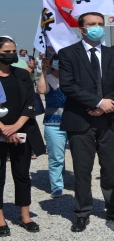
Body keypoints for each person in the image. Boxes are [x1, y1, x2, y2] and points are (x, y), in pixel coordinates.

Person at [58, 12, 114, 232]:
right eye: (92, 24)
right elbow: (68, 85)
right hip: (80, 119)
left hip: (108, 119)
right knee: (82, 170)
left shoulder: (112, 54)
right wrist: (98, 102)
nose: (97, 28)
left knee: (110, 168)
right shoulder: (68, 54)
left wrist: (107, 103)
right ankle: (82, 212)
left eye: (100, 24)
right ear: (81, 29)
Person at [0, 36, 46, 234]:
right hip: (1, 131)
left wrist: (16, 126)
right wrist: (3, 128)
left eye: (13, 51)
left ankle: (25, 216)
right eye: (6, 52)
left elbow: (30, 102)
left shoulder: (22, 75)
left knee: (22, 174)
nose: (11, 55)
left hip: (21, 132)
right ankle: (1, 219)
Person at [36, 49, 68, 198]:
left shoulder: (72, 80)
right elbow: (41, 90)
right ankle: (56, 185)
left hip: (73, 123)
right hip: (52, 124)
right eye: (56, 60)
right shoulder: (47, 78)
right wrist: (44, 70)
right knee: (56, 156)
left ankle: (77, 181)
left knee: (80, 155)